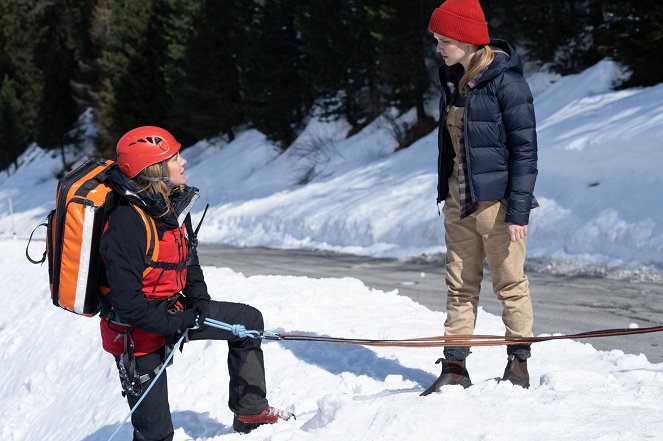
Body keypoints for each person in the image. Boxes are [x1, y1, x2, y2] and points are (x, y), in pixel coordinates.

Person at [99, 126, 292, 439]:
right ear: (154, 169)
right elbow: (129, 306)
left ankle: (251, 411)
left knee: (248, 321)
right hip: (136, 337)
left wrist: (199, 300)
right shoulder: (127, 222)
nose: (184, 161)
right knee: (157, 435)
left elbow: (187, 259)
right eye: (175, 157)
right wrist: (183, 319)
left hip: (173, 312)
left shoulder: (172, 205)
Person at [421, 0, 538, 395]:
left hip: (499, 205)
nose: (439, 47)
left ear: (469, 40)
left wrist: (519, 210)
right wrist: (446, 194)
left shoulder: (508, 83)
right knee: (459, 284)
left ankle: (517, 363)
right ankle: (455, 365)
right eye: (436, 39)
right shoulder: (452, 81)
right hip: (459, 201)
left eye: (445, 40)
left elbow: (525, 152)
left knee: (509, 283)